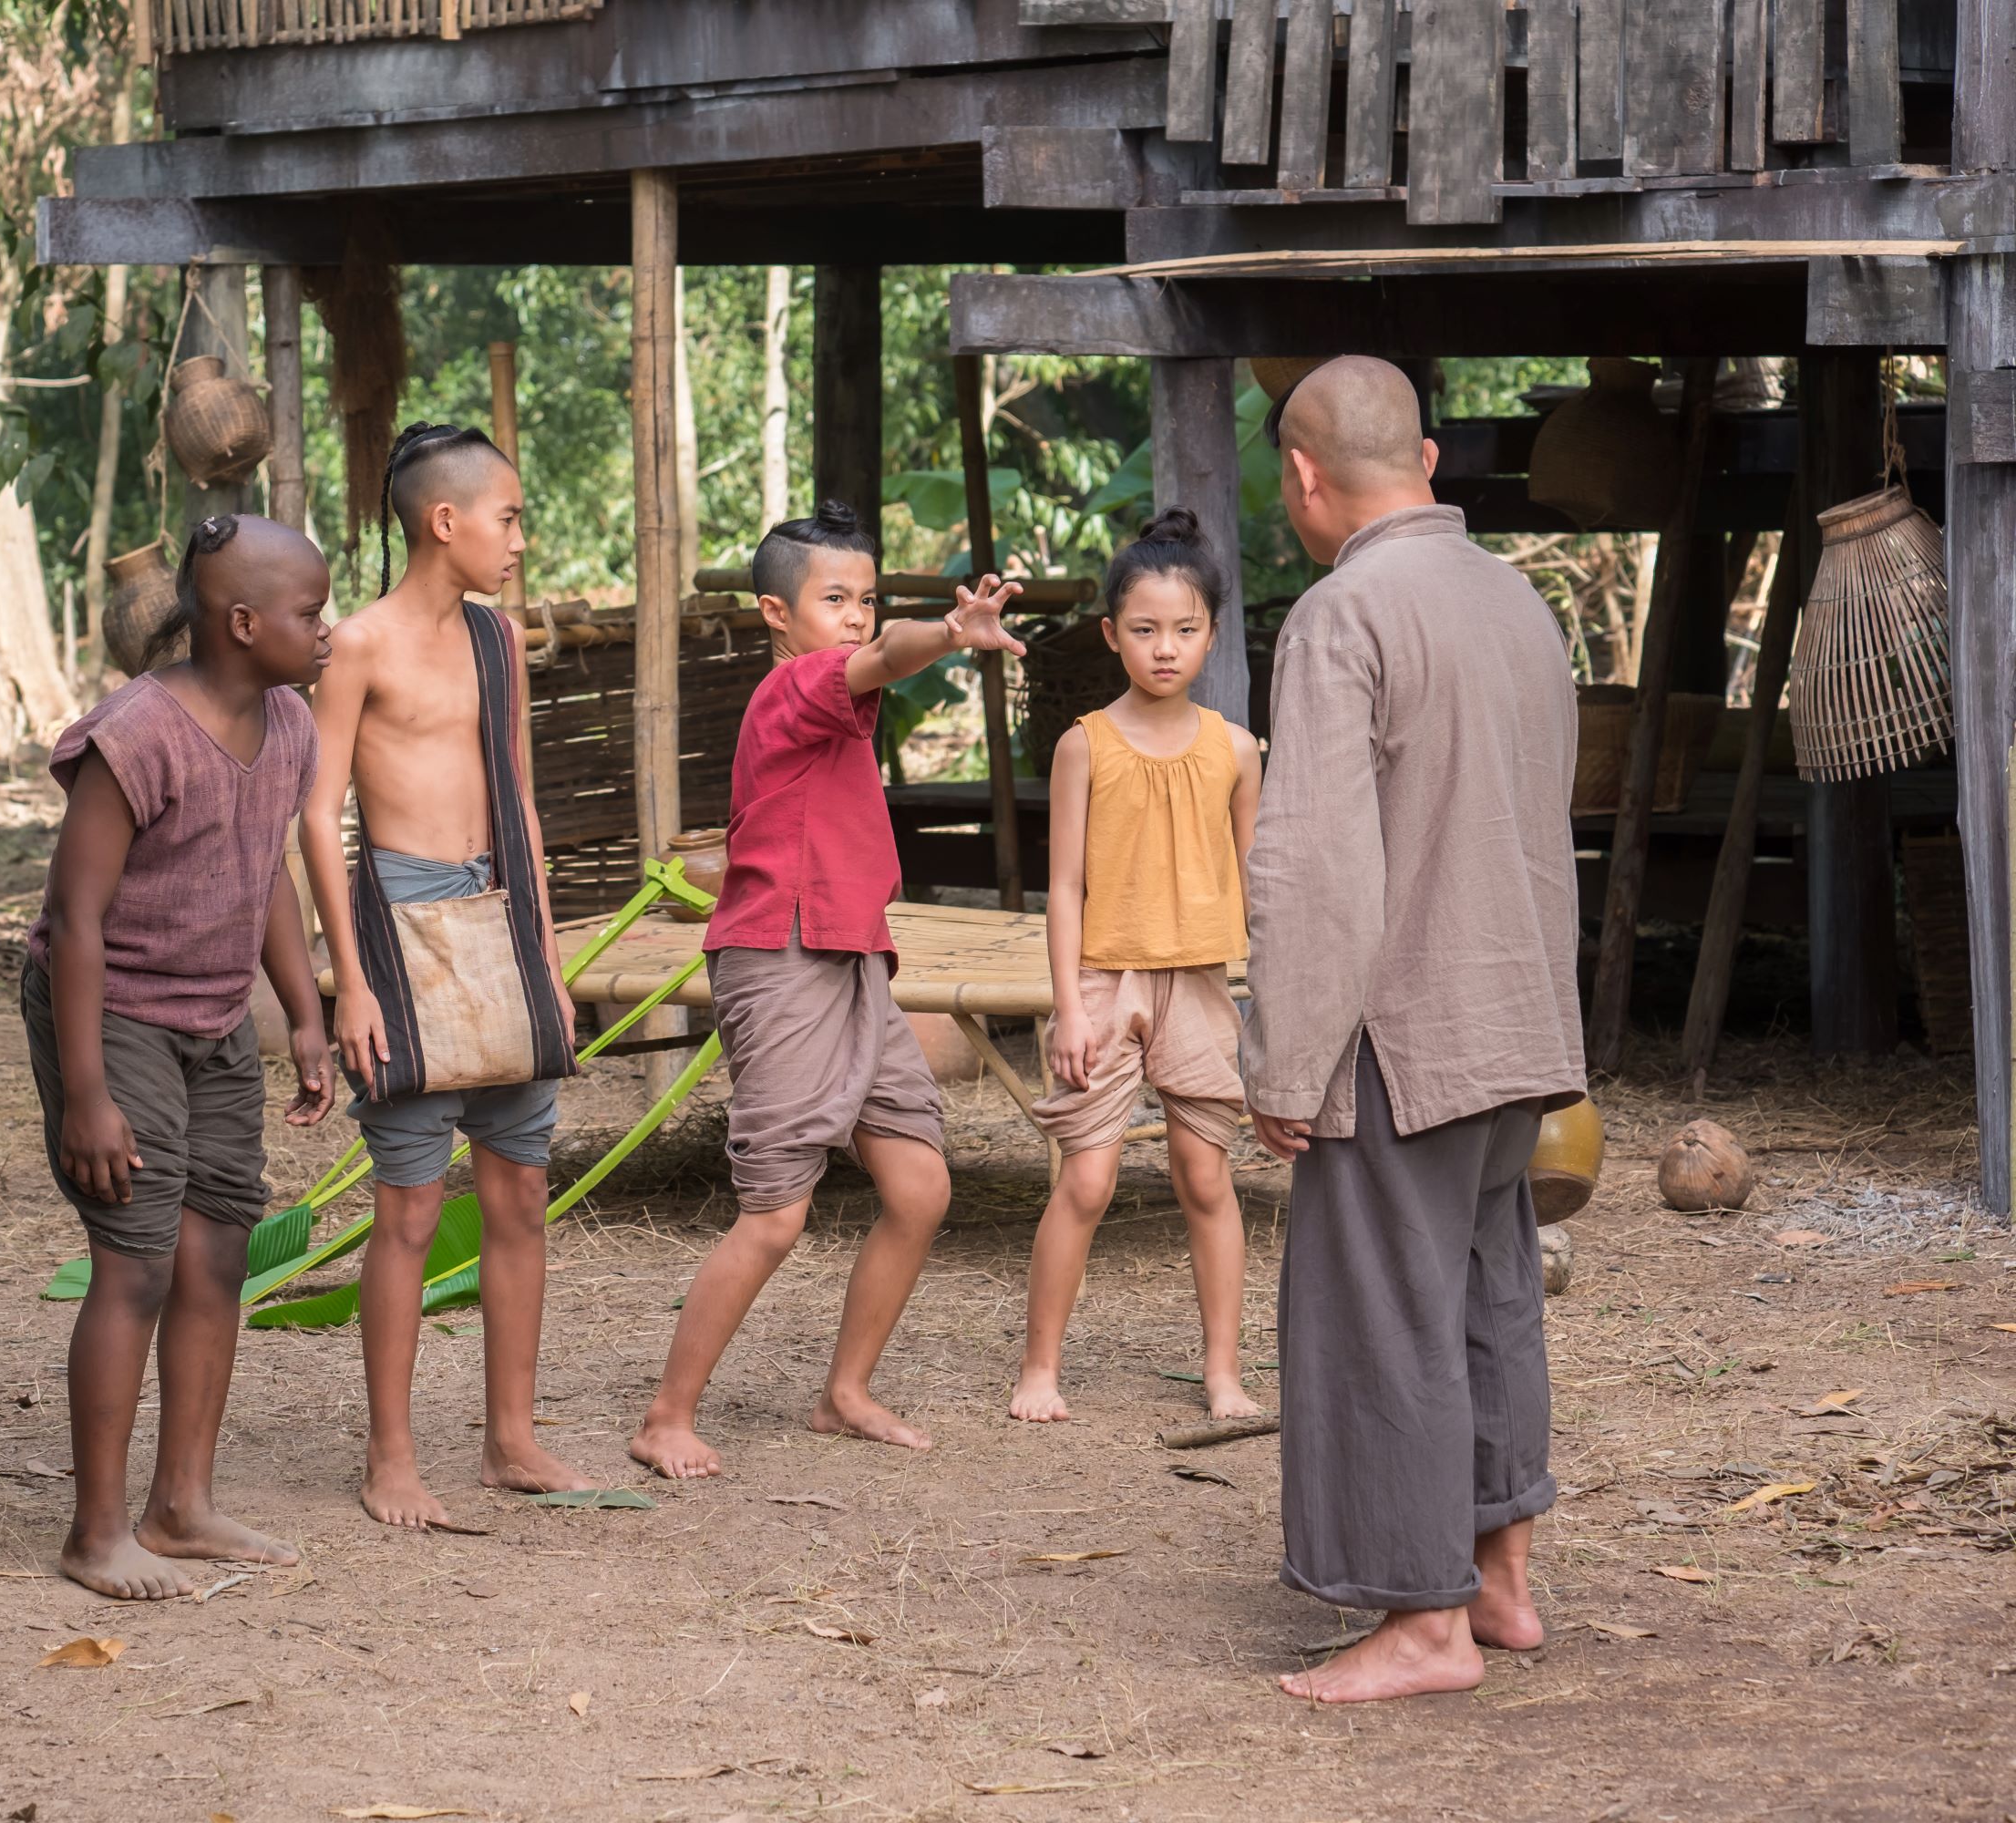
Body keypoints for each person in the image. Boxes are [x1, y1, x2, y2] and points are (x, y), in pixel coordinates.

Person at [1242, 356, 1585, 1704]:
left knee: (1381, 1316)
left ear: (1306, 478)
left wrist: (1285, 1058)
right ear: (1428, 462)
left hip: (1399, 1029)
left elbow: (1318, 870)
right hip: (1514, 1016)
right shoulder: (1518, 601)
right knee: (1490, 1294)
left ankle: (1424, 1626)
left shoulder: (1344, 616)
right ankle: (1500, 1582)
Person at [628, 502, 1024, 1481]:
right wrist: (945, 631)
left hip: (852, 954)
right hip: (782, 952)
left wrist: (919, 635)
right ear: (776, 612)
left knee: (922, 1186)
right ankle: (665, 1415)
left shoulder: (838, 697)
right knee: (775, 1213)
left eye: (866, 598)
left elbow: (878, 661)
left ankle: (844, 1391)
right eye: (833, 598)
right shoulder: (795, 688)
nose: (853, 615)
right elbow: (885, 657)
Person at [24, 513, 335, 1598]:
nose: (326, 627)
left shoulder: (289, 720)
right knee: (140, 1261)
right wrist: (89, 1094)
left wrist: (301, 1008)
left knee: (217, 1256)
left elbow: (269, 873)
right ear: (243, 622)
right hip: (111, 1015)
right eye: (309, 611)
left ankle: (182, 1504)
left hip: (212, 1018)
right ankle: (96, 1528)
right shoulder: (138, 733)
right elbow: (75, 919)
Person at [301, 422, 591, 1529]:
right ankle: (391, 1457)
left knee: (520, 1189)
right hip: (403, 930)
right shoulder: (358, 643)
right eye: (509, 517)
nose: (520, 538)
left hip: (499, 921)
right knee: (412, 1208)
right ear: (445, 520)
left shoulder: (497, 641)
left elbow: (516, 795)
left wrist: (548, 961)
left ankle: (512, 1439)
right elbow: (317, 814)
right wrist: (350, 978)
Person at [1011, 508, 1263, 1426]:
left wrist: (1269, 993)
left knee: (1207, 1178)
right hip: (1103, 984)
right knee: (1088, 1179)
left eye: (1185, 630)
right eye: (1146, 630)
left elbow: (1255, 877)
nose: (1166, 649)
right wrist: (1070, 1010)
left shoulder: (1235, 749)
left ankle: (1223, 1371)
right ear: (1112, 634)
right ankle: (1040, 1366)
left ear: (1211, 634)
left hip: (1199, 982)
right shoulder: (1086, 743)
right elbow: (1066, 887)